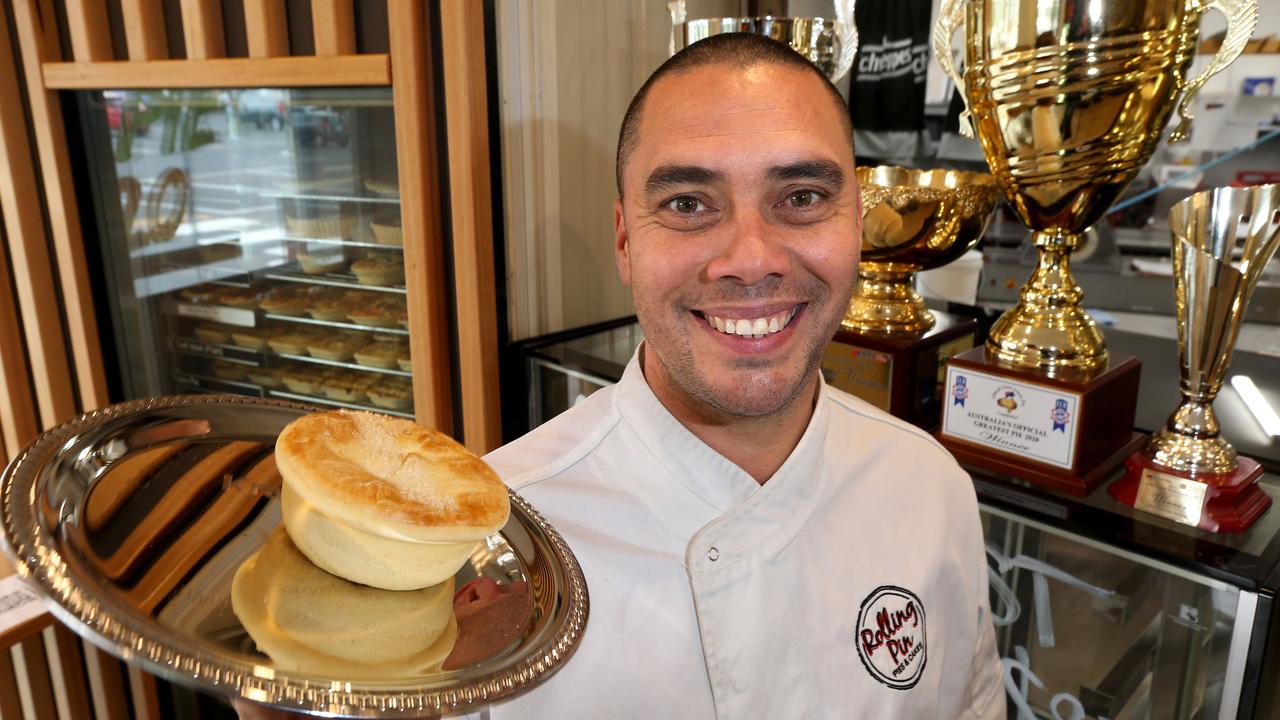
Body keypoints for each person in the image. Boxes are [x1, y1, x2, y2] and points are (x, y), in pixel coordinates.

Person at [237, 32, 1002, 720]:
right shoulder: (494, 547)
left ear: (854, 223)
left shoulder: (929, 486)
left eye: (801, 198)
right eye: (688, 202)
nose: (752, 257)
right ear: (626, 240)